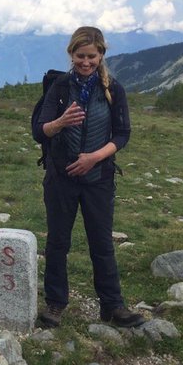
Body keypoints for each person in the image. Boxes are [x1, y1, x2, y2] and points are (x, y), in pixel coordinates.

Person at [33, 26, 143, 328]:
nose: (86, 62)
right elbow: (38, 131)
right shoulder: (59, 87)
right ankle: (55, 304)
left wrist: (93, 158)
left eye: (91, 56)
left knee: (101, 242)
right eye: (80, 56)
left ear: (101, 55)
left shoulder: (113, 89)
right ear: (71, 55)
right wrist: (60, 122)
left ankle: (112, 306)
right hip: (61, 177)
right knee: (57, 242)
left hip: (99, 177)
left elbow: (123, 134)